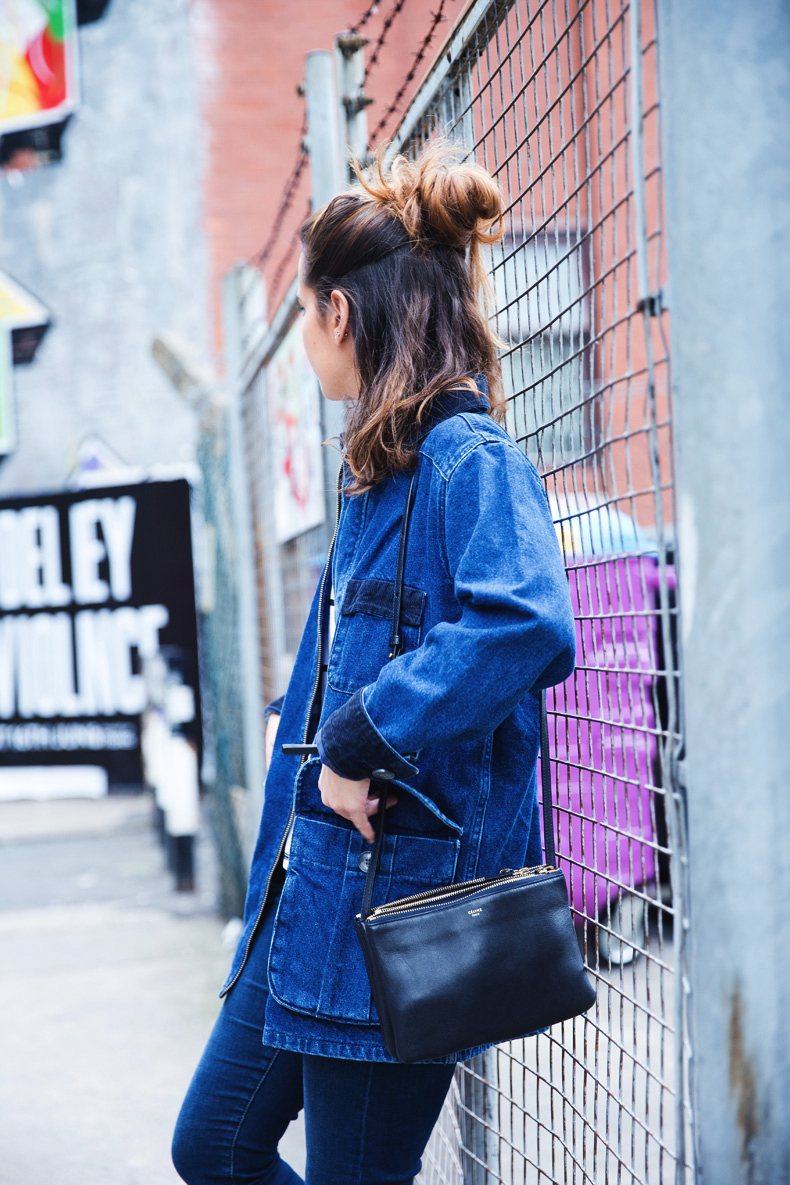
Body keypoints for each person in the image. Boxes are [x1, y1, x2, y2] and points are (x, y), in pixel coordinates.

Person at [172, 142, 576, 1185]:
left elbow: (525, 624)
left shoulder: (466, 461)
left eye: (306, 315)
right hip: (306, 894)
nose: (306, 340)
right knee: (212, 1143)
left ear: (339, 315)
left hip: (393, 919)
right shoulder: (380, 475)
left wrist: (357, 736)